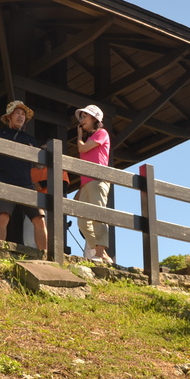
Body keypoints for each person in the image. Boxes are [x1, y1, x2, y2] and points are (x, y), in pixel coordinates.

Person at [0, 100, 48, 252]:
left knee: (40, 219)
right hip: (6, 181)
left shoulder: (30, 139)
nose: (21, 117)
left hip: (26, 183)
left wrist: (32, 153)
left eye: (23, 114)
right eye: (18, 113)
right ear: (9, 116)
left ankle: (45, 255)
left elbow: (40, 165)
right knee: (3, 217)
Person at [73, 104, 113, 264]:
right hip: (86, 182)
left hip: (98, 179)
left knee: (98, 215)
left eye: (84, 117)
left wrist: (79, 136)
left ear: (94, 118)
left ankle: (101, 251)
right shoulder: (91, 137)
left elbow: (83, 149)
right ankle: (100, 251)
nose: (82, 120)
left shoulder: (101, 133)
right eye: (81, 117)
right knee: (82, 221)